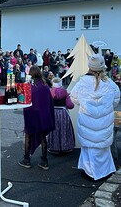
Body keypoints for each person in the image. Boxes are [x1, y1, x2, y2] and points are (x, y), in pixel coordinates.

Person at [70, 53, 120, 181]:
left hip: (87, 122)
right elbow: (115, 101)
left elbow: (74, 98)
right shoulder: (110, 84)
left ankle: (89, 172)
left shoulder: (82, 83)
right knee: (103, 149)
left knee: (89, 149)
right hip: (104, 123)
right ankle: (105, 171)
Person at [18, 65, 55, 170]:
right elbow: (49, 102)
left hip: (32, 114)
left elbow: (23, 99)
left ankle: (26, 159)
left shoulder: (30, 86)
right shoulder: (45, 86)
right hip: (44, 115)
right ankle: (44, 161)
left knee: (28, 134)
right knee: (43, 137)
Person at [47, 77, 75, 154]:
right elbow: (70, 105)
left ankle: (54, 148)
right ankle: (66, 147)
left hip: (53, 113)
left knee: (54, 131)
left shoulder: (50, 92)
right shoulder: (64, 92)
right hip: (63, 113)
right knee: (64, 130)